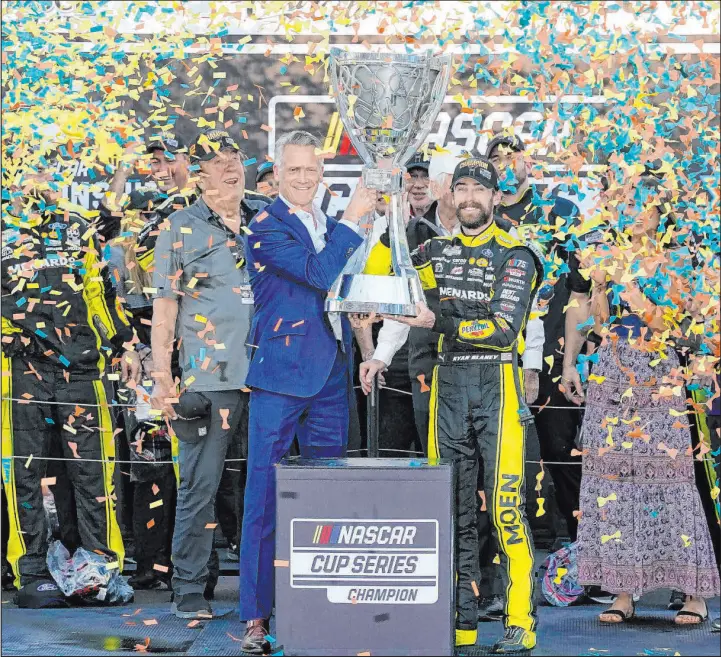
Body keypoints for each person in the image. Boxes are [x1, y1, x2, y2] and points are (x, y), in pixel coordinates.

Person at [365, 156, 542, 653]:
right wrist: (387, 215)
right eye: (459, 188)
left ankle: (520, 622)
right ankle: (461, 624)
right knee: (453, 511)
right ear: (449, 194)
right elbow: (381, 270)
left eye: (477, 190)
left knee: (505, 509)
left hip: (498, 385)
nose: (468, 198)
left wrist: (437, 320)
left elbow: (502, 330)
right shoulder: (431, 250)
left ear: (494, 196)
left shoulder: (518, 252)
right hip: (446, 385)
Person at [562, 169, 721, 625]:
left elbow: (695, 317)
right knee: (613, 483)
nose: (632, 212)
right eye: (624, 202)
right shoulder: (601, 253)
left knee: (671, 482)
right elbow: (585, 309)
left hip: (662, 375)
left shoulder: (680, 257)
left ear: (659, 210)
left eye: (641, 204)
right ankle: (622, 589)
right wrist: (572, 361)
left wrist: (644, 297)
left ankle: (693, 593)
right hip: (611, 371)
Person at [238, 130, 375, 654]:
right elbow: (319, 272)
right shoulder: (265, 226)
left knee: (329, 499)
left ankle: (325, 608)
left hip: (330, 377)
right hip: (278, 378)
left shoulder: (330, 220)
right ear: (276, 173)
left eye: (310, 169)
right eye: (293, 170)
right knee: (264, 501)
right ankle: (255, 617)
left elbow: (341, 284)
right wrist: (354, 217)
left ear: (321, 171)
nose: (302, 178)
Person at [1, 160, 141, 608]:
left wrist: (126, 344)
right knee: (23, 473)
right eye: (20, 172)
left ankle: (100, 566)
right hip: (17, 369)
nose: (30, 181)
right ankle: (34, 572)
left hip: (82, 370)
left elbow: (101, 294)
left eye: (39, 172)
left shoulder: (76, 228)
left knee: (94, 473)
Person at [150, 128, 269, 619]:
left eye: (234, 157)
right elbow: (164, 310)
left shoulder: (269, 216)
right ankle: (190, 590)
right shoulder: (177, 225)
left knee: (268, 484)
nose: (229, 166)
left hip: (271, 376)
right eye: (216, 160)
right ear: (197, 175)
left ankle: (269, 589)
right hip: (209, 378)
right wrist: (162, 377)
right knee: (200, 486)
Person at [488, 133, 584, 552]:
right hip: (496, 354)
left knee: (562, 457)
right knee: (495, 465)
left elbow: (583, 289)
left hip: (553, 357)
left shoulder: (558, 212)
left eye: (514, 154)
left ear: (528, 161)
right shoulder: (480, 216)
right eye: (497, 157)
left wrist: (577, 353)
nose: (507, 162)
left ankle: (587, 560)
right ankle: (500, 566)